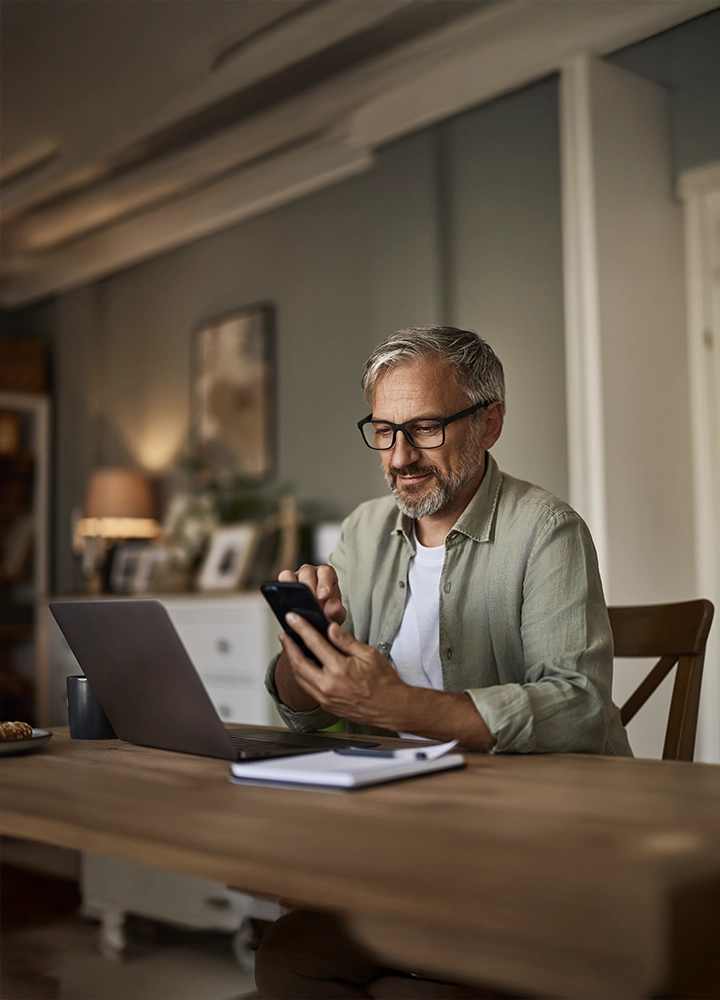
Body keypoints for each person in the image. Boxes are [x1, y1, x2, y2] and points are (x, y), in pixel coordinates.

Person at [254, 325, 632, 999]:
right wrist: (303, 651)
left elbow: (578, 707)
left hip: (529, 854)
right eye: (383, 430)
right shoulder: (364, 532)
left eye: (425, 429)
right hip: (400, 840)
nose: (400, 456)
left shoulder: (547, 531)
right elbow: (304, 717)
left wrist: (394, 703)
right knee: (286, 957)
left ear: (489, 423)